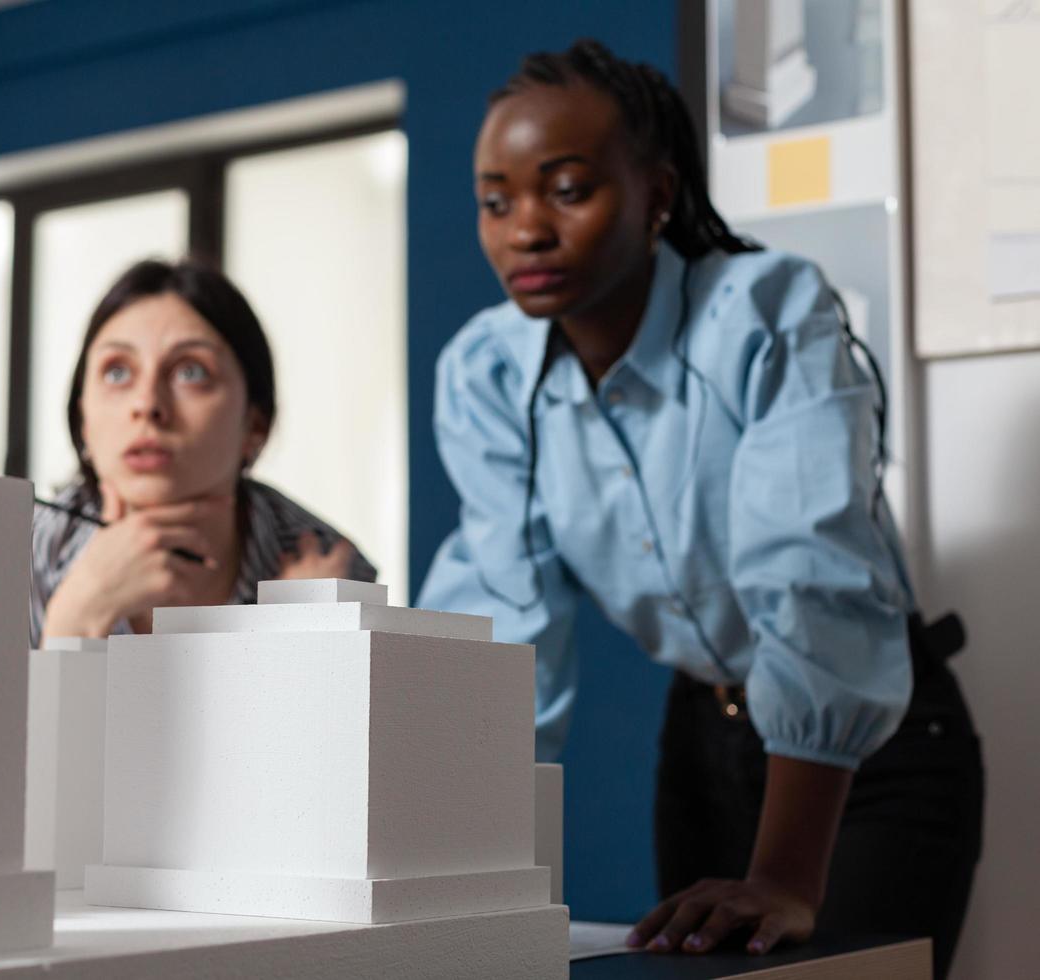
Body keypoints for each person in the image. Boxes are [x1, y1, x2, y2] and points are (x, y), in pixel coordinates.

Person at [418, 40, 982, 978]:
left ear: (660, 194)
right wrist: (452, 881)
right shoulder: (486, 374)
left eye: (567, 189)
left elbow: (810, 581)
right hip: (705, 740)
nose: (526, 229)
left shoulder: (765, 313)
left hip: (871, 734)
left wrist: (786, 875)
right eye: (496, 199)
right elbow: (511, 630)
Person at [31, 257, 375, 644]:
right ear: (83, 420)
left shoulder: (327, 571)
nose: (147, 404)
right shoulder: (18, 553)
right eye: (117, 372)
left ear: (255, 425)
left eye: (191, 372)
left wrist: (304, 649)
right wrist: (79, 615)